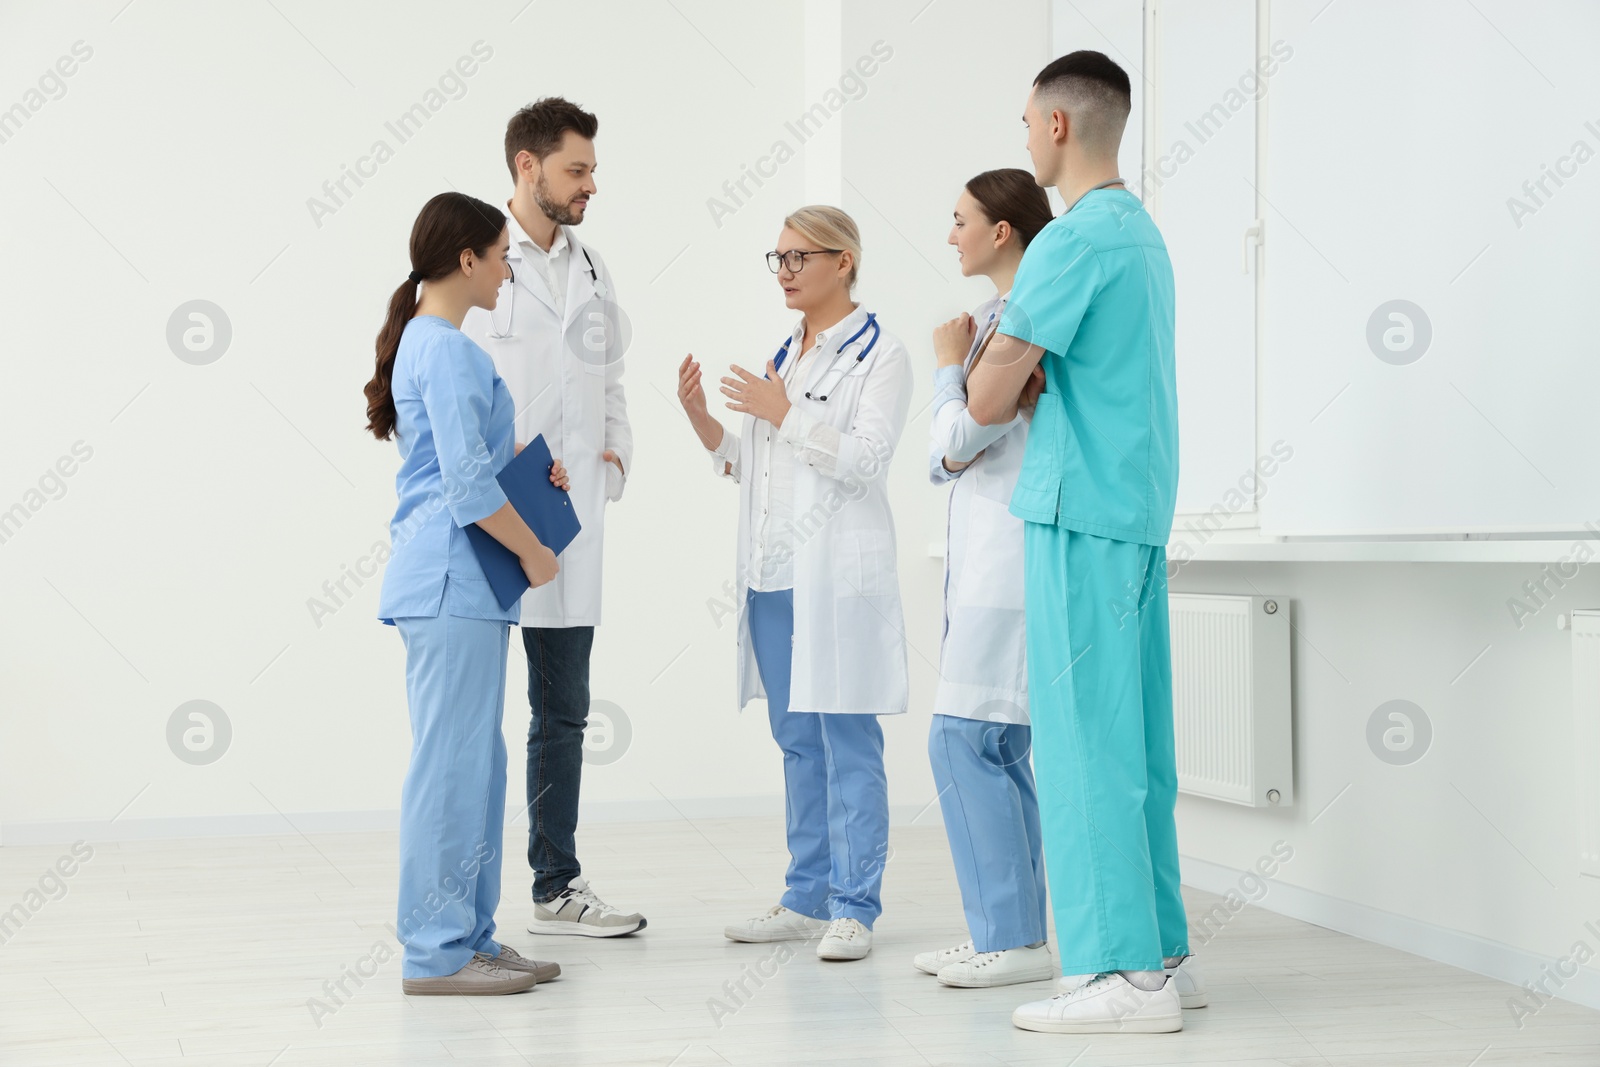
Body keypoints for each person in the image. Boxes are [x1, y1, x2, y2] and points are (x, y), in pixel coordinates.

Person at [964, 52, 1199, 1033]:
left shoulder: (1066, 245)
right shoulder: (1141, 236)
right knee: (1136, 743)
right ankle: (1162, 953)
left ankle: (1120, 973)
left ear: (1058, 126)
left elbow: (981, 397)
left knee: (1083, 746)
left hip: (1078, 516)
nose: (1022, 137)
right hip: (1134, 512)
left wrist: (1001, 366)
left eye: (1026, 121)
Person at [676, 206, 913, 962]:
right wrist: (706, 425)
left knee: (846, 738)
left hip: (834, 578)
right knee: (796, 740)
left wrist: (784, 411)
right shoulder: (790, 351)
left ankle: (854, 905)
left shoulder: (884, 354)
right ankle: (807, 895)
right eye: (775, 258)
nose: (783, 270)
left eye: (797, 257)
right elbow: (763, 468)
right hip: (774, 578)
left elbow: (867, 458)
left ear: (844, 261)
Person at [366, 191, 571, 995]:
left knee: (475, 765)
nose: (506, 269)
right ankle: (436, 951)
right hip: (453, 578)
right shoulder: (443, 346)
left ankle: (472, 935)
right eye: (500, 256)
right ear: (466, 259)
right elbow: (463, 488)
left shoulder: (436, 342)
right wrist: (538, 552)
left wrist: (526, 460)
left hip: (466, 585)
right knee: (450, 767)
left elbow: (473, 459)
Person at [461, 98, 642, 937]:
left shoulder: (593, 265)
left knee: (563, 710)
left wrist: (613, 456)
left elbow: (607, 378)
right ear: (527, 167)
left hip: (573, 520)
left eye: (594, 170)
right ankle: (459, 904)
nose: (591, 185)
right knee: (470, 715)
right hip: (494, 519)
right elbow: (448, 388)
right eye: (577, 169)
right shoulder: (475, 263)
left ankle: (554, 884)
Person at [915, 169, 1056, 990]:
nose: (951, 233)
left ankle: (1009, 937)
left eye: (960, 218)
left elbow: (956, 440)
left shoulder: (1023, 313)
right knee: (996, 745)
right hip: (990, 552)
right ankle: (1012, 935)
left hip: (1010, 554)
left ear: (1002, 230)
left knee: (966, 739)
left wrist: (943, 367)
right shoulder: (1003, 316)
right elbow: (953, 454)